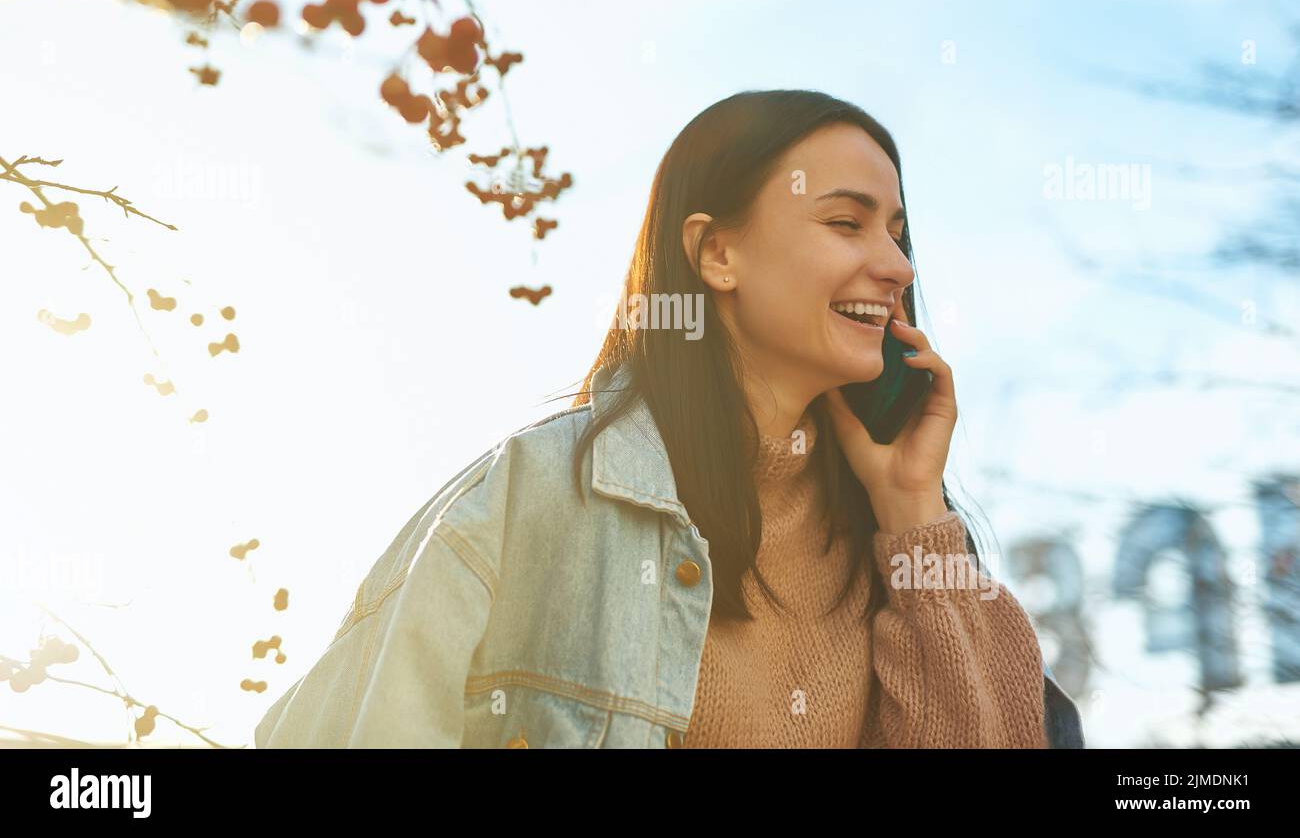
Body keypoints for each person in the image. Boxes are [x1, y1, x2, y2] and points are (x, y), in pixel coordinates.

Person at [254, 88, 1085, 748]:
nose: (898, 264)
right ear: (716, 253)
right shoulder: (528, 501)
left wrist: (912, 508)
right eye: (846, 222)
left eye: (899, 233)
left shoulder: (907, 546)